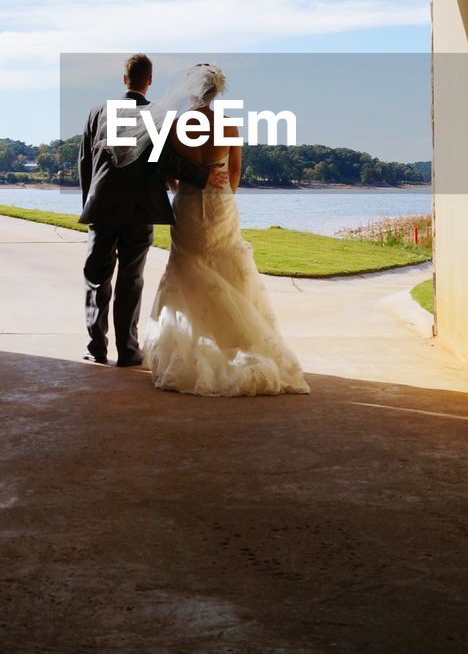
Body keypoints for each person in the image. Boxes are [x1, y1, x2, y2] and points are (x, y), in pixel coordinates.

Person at [144, 63, 309, 397]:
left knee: (186, 269)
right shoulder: (228, 126)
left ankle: (192, 346)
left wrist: (182, 189)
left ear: (191, 90)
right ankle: (235, 340)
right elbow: (234, 173)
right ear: (216, 92)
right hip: (220, 207)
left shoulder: (174, 127)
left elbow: (167, 172)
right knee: (227, 269)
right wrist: (220, 199)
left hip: (188, 206)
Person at [78, 53, 228, 367]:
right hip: (140, 209)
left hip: (102, 209)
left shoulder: (97, 112)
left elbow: (85, 164)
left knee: (96, 278)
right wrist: (203, 176)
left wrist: (89, 205)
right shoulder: (156, 115)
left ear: (124, 79)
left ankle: (96, 348)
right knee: (130, 281)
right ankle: (128, 351)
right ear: (149, 81)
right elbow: (167, 162)